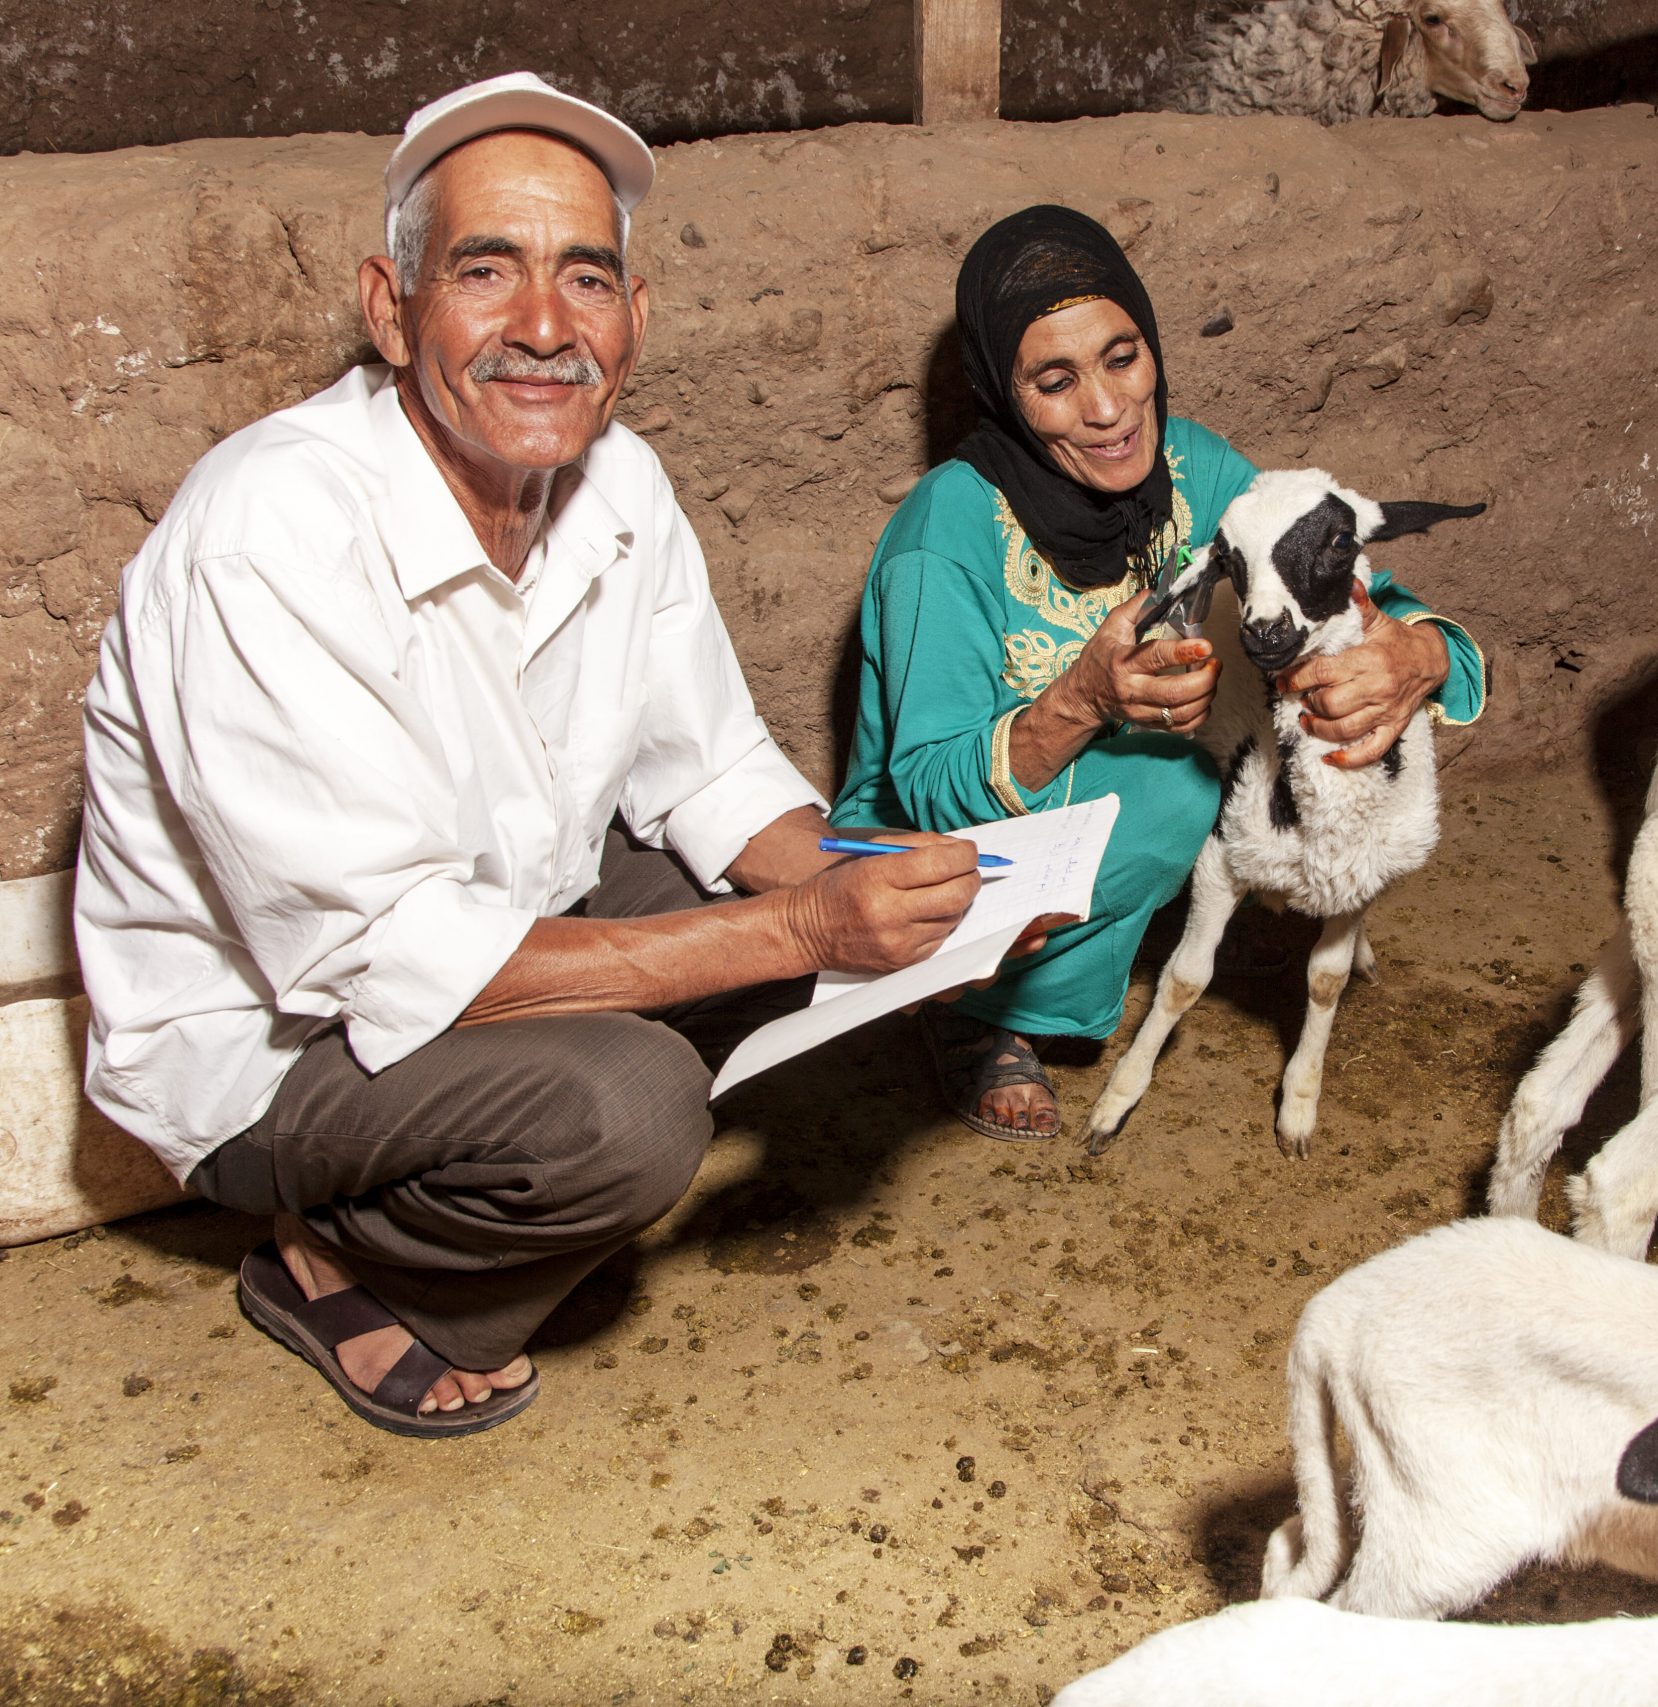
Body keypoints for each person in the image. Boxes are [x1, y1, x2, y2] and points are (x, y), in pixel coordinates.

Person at [74, 74, 1026, 1438]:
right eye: (485, 270)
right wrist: (803, 921)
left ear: (637, 319)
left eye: (586, 278)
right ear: (388, 308)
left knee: (815, 954)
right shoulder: (268, 537)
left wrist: (917, 888)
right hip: (272, 1047)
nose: (542, 328)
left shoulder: (617, 482)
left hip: (499, 923)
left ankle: (455, 1184)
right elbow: (388, 952)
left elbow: (709, 774)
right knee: (628, 1115)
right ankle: (334, 1262)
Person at [833, 205, 1486, 1141]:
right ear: (1004, 394)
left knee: (1238, 742)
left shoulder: (1195, 469)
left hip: (1090, 814)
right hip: (931, 839)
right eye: (1055, 381)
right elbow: (927, 789)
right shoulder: (947, 532)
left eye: (1123, 356)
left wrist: (1415, 657)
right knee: (1179, 783)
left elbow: (1364, 594)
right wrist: (1084, 699)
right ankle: (975, 1011)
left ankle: (1103, 930)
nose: (1108, 408)